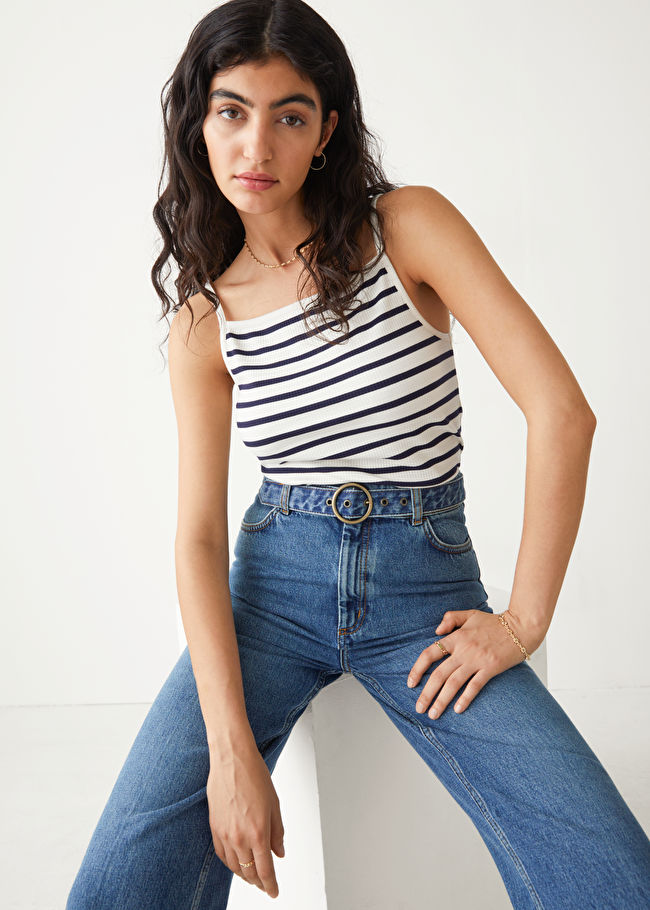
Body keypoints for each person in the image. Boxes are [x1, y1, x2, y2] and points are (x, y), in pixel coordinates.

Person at [66, 1, 650, 907]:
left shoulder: (406, 226)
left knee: (617, 878)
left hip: (425, 599)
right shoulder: (204, 321)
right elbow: (198, 538)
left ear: (327, 131)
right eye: (231, 111)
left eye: (289, 115)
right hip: (270, 598)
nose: (257, 145)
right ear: (198, 124)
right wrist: (230, 751)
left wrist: (521, 624)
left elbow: (562, 413)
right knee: (115, 887)